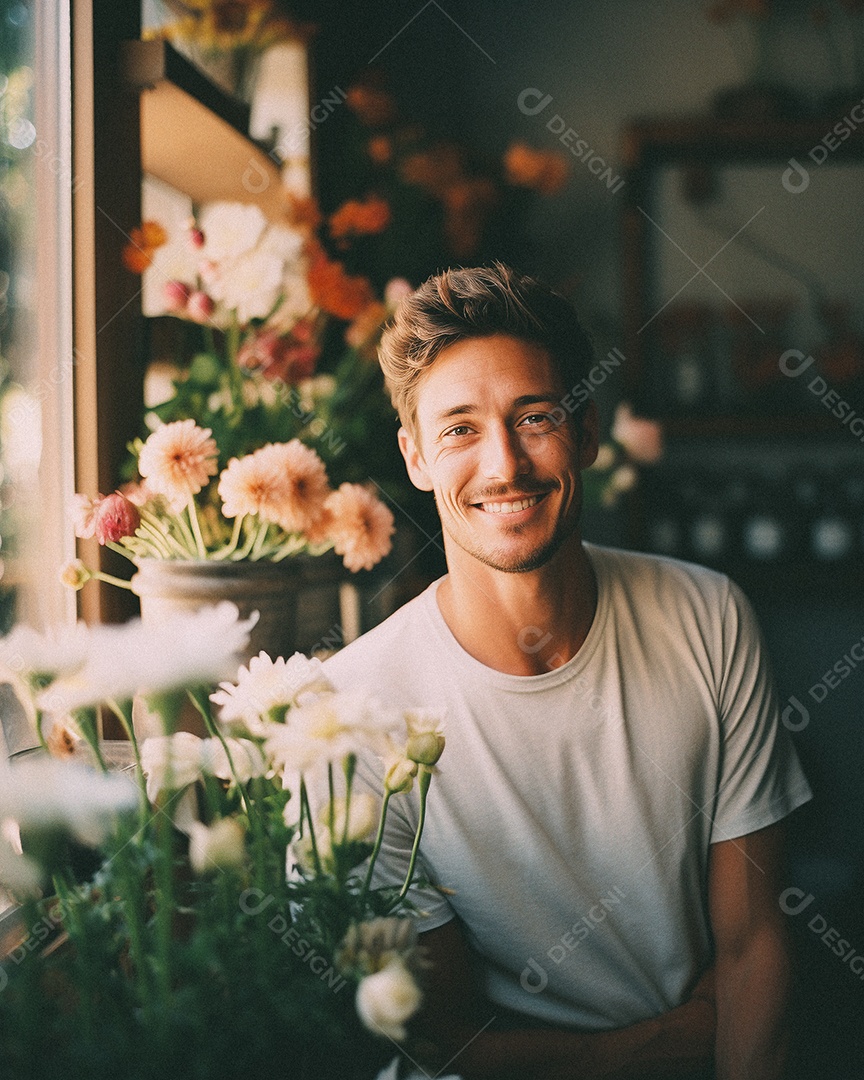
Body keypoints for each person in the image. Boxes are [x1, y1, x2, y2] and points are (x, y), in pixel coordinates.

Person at [323, 263, 812, 1080]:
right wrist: (643, 1050)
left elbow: (754, 944)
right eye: (459, 430)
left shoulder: (709, 616)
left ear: (585, 432)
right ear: (414, 457)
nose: (505, 465)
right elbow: (444, 1041)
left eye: (534, 417)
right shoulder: (356, 706)